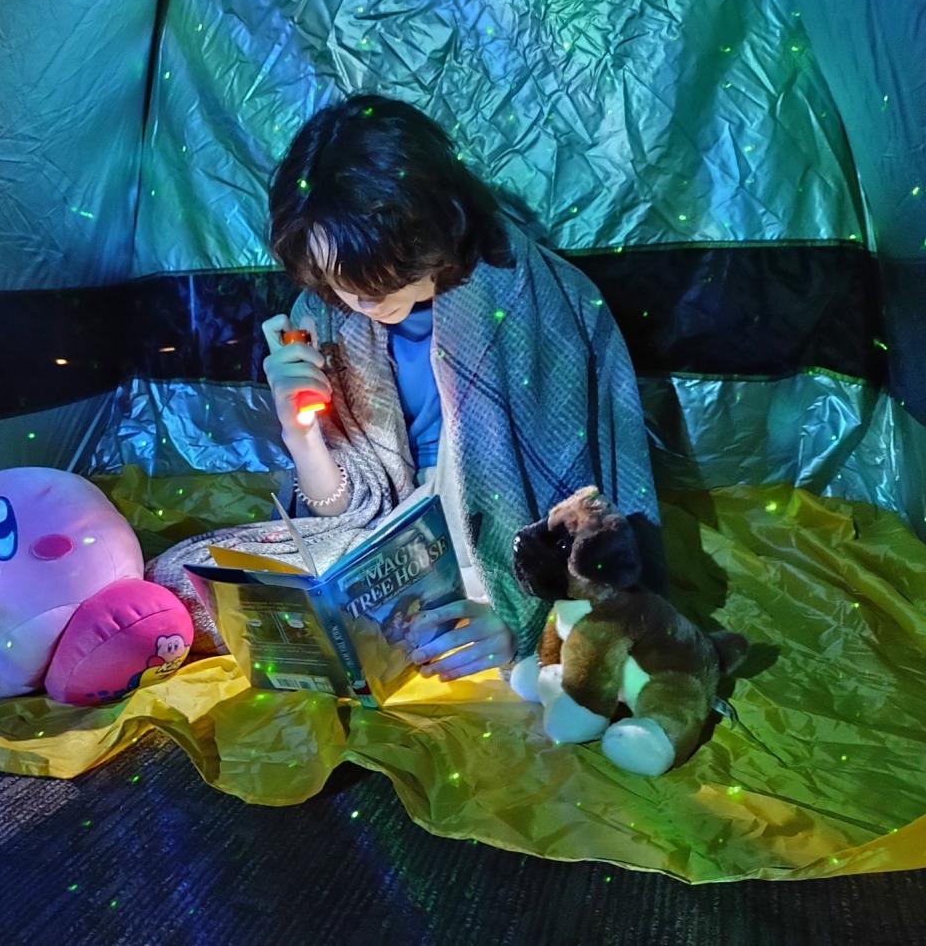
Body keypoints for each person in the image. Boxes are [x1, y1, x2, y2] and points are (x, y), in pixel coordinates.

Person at [148, 93, 663, 679]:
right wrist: (301, 435)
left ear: (432, 227)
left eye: (380, 273)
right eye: (336, 279)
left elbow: (582, 504)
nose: (362, 299)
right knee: (187, 576)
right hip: (389, 543)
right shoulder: (322, 316)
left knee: (556, 650)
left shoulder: (532, 298)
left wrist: (524, 618)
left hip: (505, 543)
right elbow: (342, 508)